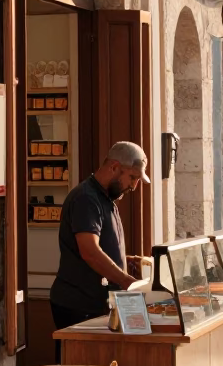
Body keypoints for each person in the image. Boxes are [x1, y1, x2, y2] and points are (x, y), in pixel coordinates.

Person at [50, 141, 150, 330]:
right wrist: (127, 281)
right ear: (114, 167)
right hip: (79, 305)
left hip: (96, 303)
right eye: (132, 177)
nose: (134, 186)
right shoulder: (86, 199)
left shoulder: (106, 198)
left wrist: (128, 262)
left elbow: (101, 247)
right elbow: (90, 252)